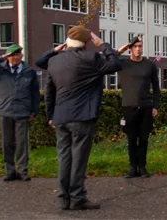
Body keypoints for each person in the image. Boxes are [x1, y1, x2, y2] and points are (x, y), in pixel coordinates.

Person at [43, 26, 121, 210]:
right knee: (78, 158)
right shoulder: (91, 58)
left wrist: (50, 115)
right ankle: (77, 197)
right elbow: (115, 64)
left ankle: (64, 198)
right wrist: (102, 45)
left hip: (60, 117)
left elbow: (49, 91)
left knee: (64, 157)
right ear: (86, 44)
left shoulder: (54, 62)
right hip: (82, 116)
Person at [0, 43, 40, 181]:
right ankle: (9, 171)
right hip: (5, 110)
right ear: (7, 57)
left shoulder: (29, 71)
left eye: (18, 55)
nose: (15, 58)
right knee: (7, 143)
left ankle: (23, 171)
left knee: (22, 144)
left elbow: (35, 94)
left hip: (22, 111)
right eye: (12, 55)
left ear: (21, 56)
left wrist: (33, 111)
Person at [116, 36, 160, 178]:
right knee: (131, 138)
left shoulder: (149, 65)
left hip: (146, 106)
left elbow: (156, 87)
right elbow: (106, 60)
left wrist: (155, 106)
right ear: (130, 49)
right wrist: (119, 50)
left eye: (140, 46)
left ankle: (142, 167)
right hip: (129, 106)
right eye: (135, 47)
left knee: (144, 138)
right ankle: (132, 167)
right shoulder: (122, 63)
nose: (138, 49)